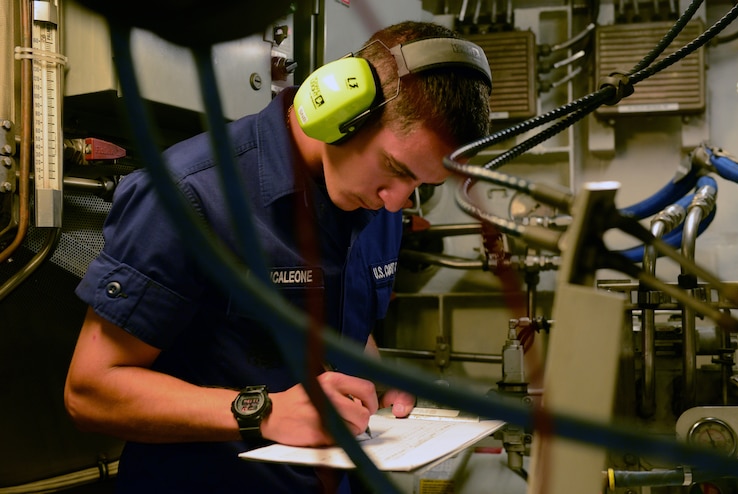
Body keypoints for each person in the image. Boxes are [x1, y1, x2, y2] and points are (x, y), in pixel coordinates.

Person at [64, 20, 492, 493]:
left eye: (420, 185)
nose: (396, 203)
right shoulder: (189, 194)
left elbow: (339, 323)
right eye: (395, 170)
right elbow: (91, 392)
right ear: (342, 108)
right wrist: (263, 412)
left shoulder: (379, 202)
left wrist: (377, 376)